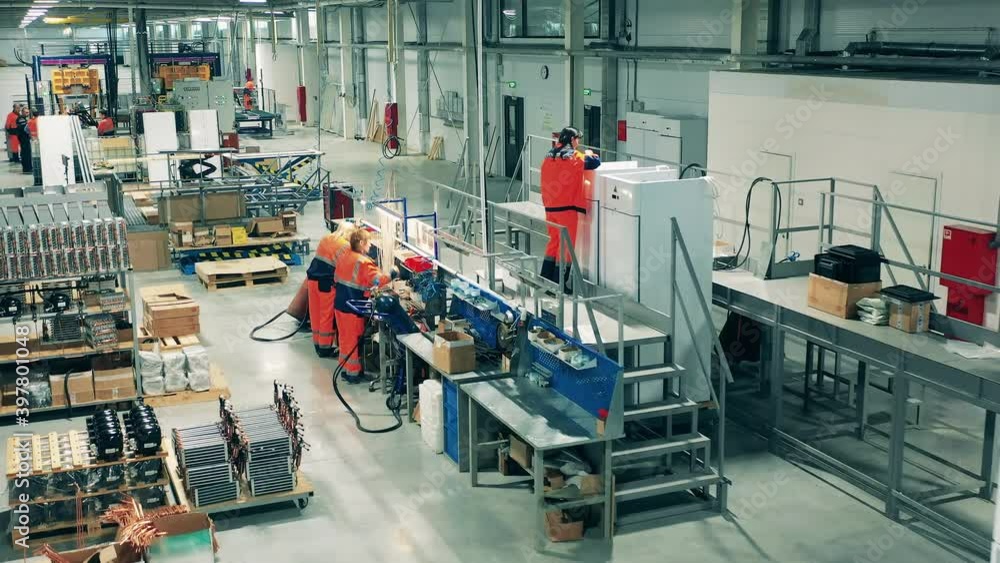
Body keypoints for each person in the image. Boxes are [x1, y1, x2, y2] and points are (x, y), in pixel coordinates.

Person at [539, 126, 600, 293]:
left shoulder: (549, 156)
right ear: (573, 140)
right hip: (567, 210)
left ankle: (545, 279)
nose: (578, 142)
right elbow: (595, 163)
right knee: (566, 247)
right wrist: (588, 153)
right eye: (578, 139)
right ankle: (559, 284)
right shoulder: (574, 157)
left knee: (554, 243)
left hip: (550, 209)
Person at [333, 229, 391, 384]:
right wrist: (394, 274)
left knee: (344, 339)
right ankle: (354, 374)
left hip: (339, 304)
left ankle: (345, 369)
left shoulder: (344, 255)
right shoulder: (363, 262)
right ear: (361, 243)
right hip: (353, 308)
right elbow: (378, 280)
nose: (370, 244)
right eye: (368, 242)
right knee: (352, 341)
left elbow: (338, 278)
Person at [306, 222, 355, 358]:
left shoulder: (326, 238)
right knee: (326, 316)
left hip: (312, 280)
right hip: (326, 284)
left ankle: (317, 344)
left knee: (315, 314)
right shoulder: (345, 246)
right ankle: (325, 348)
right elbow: (347, 268)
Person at [15, 107, 32, 174]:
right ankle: (26, 168)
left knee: (27, 153)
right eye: (26, 112)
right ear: (22, 112)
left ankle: (28, 167)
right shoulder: (21, 119)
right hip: (23, 138)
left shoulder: (24, 118)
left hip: (25, 138)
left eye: (28, 112)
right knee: (25, 153)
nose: (27, 114)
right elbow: (25, 129)